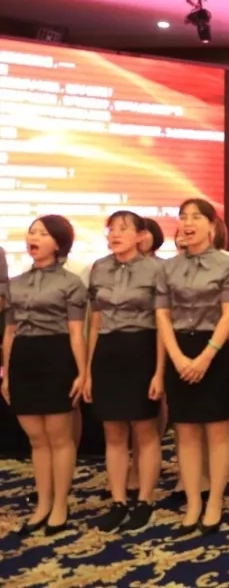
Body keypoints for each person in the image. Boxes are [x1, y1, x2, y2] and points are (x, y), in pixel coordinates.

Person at [155, 198, 229, 534]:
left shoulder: (226, 265)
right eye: (183, 217)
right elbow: (162, 316)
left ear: (211, 225)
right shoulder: (168, 268)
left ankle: (215, 500)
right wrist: (177, 357)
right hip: (179, 349)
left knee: (218, 434)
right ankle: (193, 502)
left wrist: (206, 356)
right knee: (186, 433)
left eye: (195, 217)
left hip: (214, 352)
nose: (188, 223)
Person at [1, 215, 87, 535]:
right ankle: (43, 503)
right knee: (37, 440)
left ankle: (60, 504)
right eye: (31, 232)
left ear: (58, 242)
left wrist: (82, 372)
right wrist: (7, 375)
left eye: (42, 233)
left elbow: (76, 332)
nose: (33, 238)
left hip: (57, 357)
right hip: (24, 359)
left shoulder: (71, 283)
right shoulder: (16, 283)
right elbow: (9, 332)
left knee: (59, 438)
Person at [85, 211, 163, 533]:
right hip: (107, 351)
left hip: (142, 348)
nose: (115, 234)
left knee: (145, 431)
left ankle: (145, 500)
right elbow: (95, 322)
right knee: (113, 432)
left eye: (123, 229)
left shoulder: (156, 269)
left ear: (140, 235)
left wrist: (160, 371)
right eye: (111, 229)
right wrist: (88, 370)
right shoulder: (99, 268)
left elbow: (162, 324)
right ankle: (118, 501)